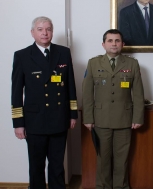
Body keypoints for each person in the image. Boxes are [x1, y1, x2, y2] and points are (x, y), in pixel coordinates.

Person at [11, 16, 78, 189]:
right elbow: (16, 93)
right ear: (32, 32)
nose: (45, 33)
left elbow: (70, 85)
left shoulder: (63, 52)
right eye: (40, 29)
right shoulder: (22, 55)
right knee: (36, 166)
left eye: (48, 29)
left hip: (59, 118)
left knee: (57, 166)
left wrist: (72, 114)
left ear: (52, 32)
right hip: (34, 121)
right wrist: (18, 123)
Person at [82, 29, 144, 189]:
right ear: (103, 44)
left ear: (122, 44)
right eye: (110, 40)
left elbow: (138, 94)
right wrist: (88, 118)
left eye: (117, 41)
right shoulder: (93, 63)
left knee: (121, 160)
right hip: (101, 120)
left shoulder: (132, 64)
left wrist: (138, 118)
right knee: (103, 159)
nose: (114, 44)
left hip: (124, 120)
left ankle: (121, 187)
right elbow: (87, 93)